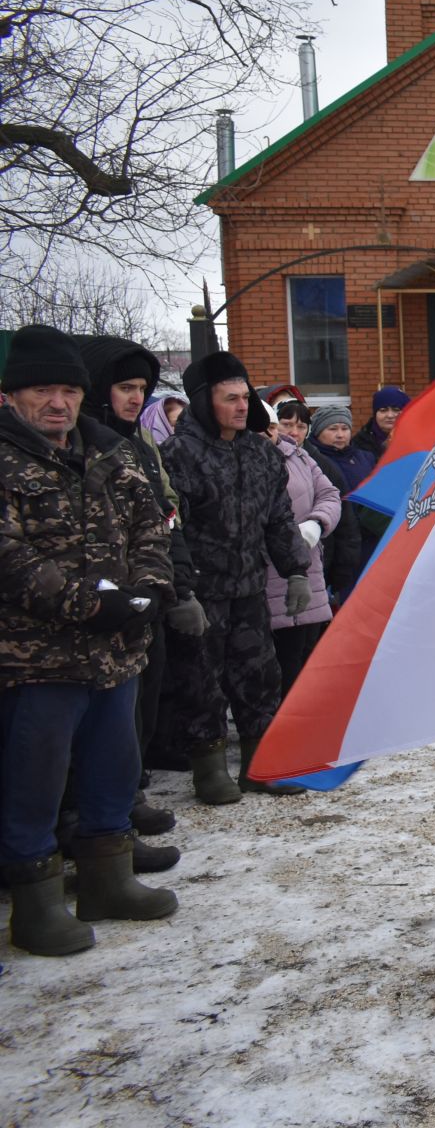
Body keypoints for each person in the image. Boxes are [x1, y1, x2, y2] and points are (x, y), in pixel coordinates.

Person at [1, 325, 179, 955]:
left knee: (116, 765)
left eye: (68, 390)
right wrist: (91, 602)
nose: (58, 403)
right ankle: (36, 902)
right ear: (12, 397)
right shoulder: (6, 460)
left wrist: (151, 589)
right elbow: (9, 555)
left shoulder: (108, 455)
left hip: (116, 651)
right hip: (36, 660)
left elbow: (150, 527)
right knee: (36, 781)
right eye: (42, 390)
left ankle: (109, 878)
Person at [160, 352, 312, 804]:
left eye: (246, 398)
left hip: (249, 586)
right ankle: (208, 769)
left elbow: (279, 518)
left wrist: (295, 570)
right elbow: (171, 528)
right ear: (206, 402)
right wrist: (180, 591)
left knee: (259, 675)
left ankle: (259, 765)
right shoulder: (179, 454)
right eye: (231, 399)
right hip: (202, 592)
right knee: (201, 681)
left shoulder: (259, 452)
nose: (243, 407)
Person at [76, 335, 204, 851]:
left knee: (140, 708)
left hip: (144, 596)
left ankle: (123, 802)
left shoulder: (139, 442)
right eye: (124, 387)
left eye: (142, 388)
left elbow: (163, 515)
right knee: (99, 725)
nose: (135, 398)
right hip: (93, 605)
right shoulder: (92, 442)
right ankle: (95, 826)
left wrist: (170, 584)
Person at [268, 402, 340, 709]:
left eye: (273, 427)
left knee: (306, 661)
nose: (286, 432)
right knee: (281, 669)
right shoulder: (249, 459)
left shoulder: (299, 455)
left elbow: (330, 494)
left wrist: (316, 523)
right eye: (281, 424)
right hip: (271, 577)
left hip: (309, 570)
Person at [300, 408, 364, 607]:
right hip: (325, 546)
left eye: (344, 428)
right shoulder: (318, 462)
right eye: (333, 428)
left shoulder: (363, 458)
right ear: (317, 432)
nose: (340, 434)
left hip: (357, 542)